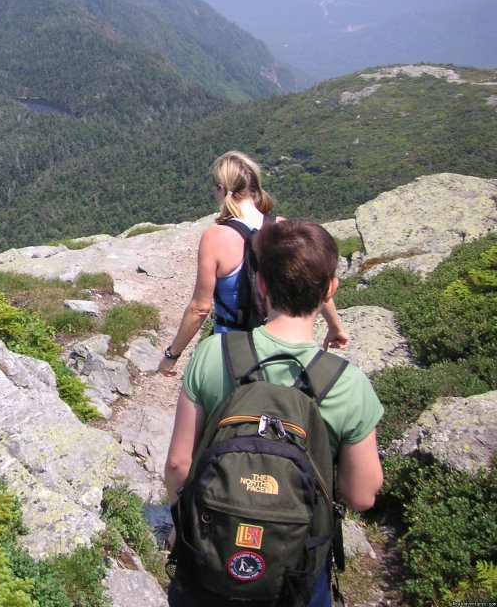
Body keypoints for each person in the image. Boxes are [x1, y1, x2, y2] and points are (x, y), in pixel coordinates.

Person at [163, 218, 385, 607]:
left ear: (261, 284)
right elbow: (362, 495)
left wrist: (180, 525)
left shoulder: (214, 355)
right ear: (330, 289)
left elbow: (180, 464)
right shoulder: (348, 384)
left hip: (210, 556)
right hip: (297, 568)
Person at [158, 151, 348, 376]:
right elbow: (312, 282)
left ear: (221, 188)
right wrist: (335, 327)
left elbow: (200, 308)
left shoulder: (216, 237)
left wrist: (172, 355)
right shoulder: (283, 228)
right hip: (277, 350)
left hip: (229, 349)